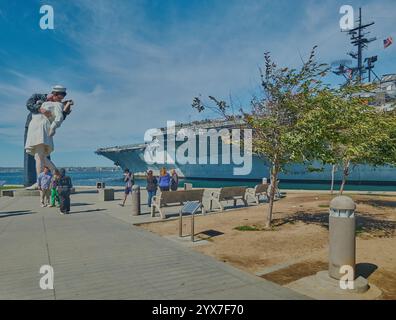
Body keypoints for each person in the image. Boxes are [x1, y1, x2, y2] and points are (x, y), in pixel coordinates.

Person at [24, 85, 73, 187]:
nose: (60, 100)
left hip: (41, 128)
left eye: (62, 98)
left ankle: (40, 181)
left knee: (39, 156)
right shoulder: (39, 97)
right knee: (38, 156)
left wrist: (53, 127)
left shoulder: (58, 105)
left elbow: (59, 118)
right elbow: (29, 104)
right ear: (54, 94)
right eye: (59, 97)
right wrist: (40, 109)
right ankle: (55, 172)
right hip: (33, 127)